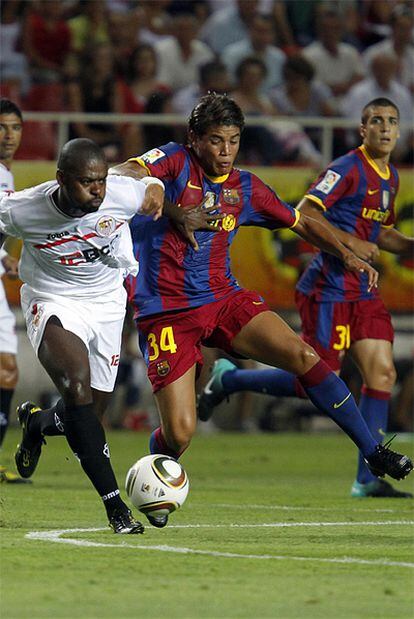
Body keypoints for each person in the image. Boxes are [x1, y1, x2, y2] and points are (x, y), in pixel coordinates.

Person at [110, 93, 412, 526]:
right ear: (194, 139)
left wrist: (345, 254)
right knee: (180, 433)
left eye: (233, 141)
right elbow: (122, 172)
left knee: (305, 357)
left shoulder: (244, 188)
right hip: (166, 310)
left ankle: (373, 451)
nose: (226, 151)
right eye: (216, 141)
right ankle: (154, 480)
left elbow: (301, 221)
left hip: (223, 298)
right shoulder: (174, 162)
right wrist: (162, 198)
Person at [198, 97, 413, 499]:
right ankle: (231, 378)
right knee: (314, 379)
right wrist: (349, 244)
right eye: (376, 121)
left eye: (392, 121)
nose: (385, 127)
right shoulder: (348, 168)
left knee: (382, 373)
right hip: (328, 286)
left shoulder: (391, 179)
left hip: (362, 290)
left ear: (399, 131)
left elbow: (379, 235)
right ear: (362, 130)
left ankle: (367, 477)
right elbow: (307, 210)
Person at [0, 137, 167, 533]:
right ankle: (115, 508)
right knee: (76, 387)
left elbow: (147, 182)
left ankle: (39, 425)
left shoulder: (118, 194)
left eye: (101, 181)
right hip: (52, 299)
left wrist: (156, 189)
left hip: (108, 306)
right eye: (87, 182)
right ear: (61, 179)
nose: (97, 190)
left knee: (88, 416)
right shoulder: (24, 208)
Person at [0, 98, 27, 483]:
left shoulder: (6, 176)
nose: (8, 136)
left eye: (15, 128)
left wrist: (6, 256)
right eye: (2, 127)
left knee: (7, 370)